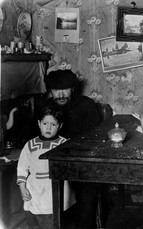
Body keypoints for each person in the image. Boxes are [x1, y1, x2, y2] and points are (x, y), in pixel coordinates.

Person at [39, 69, 113, 228]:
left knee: (87, 193)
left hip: (82, 162)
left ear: (72, 88)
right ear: (50, 91)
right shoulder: (45, 107)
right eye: (55, 90)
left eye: (64, 89)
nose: (60, 95)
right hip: (53, 162)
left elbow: (95, 139)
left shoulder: (86, 104)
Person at [17, 105, 75, 229]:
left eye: (53, 125)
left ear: (60, 126)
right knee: (35, 221)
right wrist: (22, 187)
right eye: (45, 123)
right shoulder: (30, 145)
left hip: (56, 188)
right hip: (35, 189)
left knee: (55, 220)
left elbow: (70, 166)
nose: (48, 127)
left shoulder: (63, 144)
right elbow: (22, 167)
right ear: (39, 123)